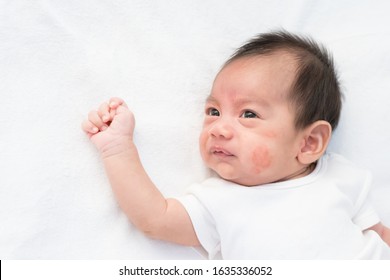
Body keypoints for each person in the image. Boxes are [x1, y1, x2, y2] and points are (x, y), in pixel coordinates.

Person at [81, 31, 390, 259]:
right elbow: (154, 219)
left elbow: (379, 234)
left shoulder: (340, 175)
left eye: (248, 114)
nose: (218, 128)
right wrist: (117, 149)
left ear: (309, 142)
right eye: (213, 112)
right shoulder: (218, 202)